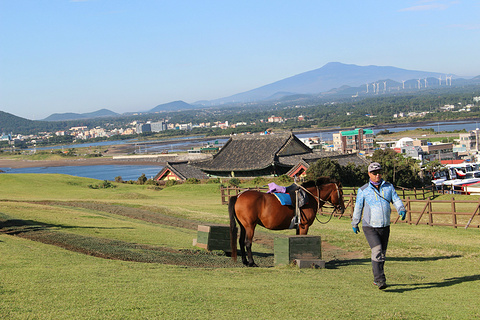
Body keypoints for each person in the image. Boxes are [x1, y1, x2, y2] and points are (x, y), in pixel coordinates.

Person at [351, 162, 406, 290]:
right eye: (374, 173)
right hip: (369, 226)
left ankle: (378, 278)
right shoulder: (363, 190)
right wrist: (355, 223)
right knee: (377, 251)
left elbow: (396, 199)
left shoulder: (389, 187)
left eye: (379, 172)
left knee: (382, 253)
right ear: (369, 174)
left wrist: (401, 209)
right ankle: (380, 279)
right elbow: (358, 207)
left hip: (385, 225)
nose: (377, 175)